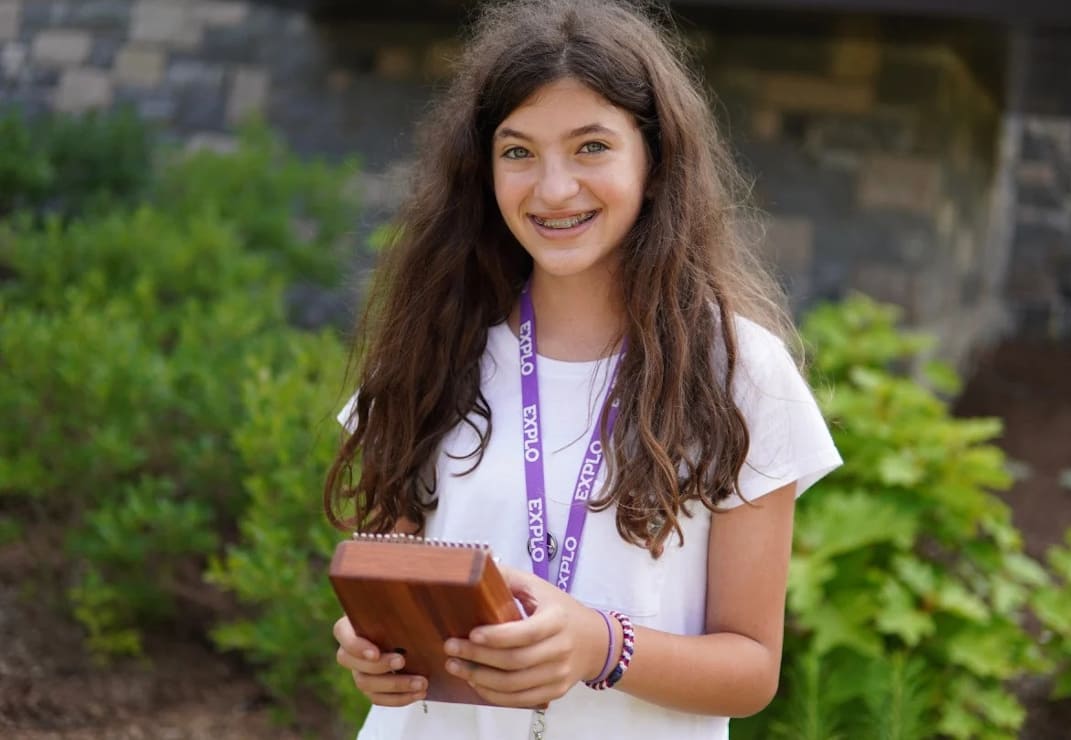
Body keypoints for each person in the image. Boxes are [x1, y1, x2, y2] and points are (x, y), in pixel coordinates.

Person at [326, 1, 842, 738]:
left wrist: (600, 644)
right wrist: (371, 646)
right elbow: (393, 582)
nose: (554, 188)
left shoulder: (739, 372)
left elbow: (752, 669)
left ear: (656, 161)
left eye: (591, 147)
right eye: (518, 152)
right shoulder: (431, 348)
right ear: (484, 170)